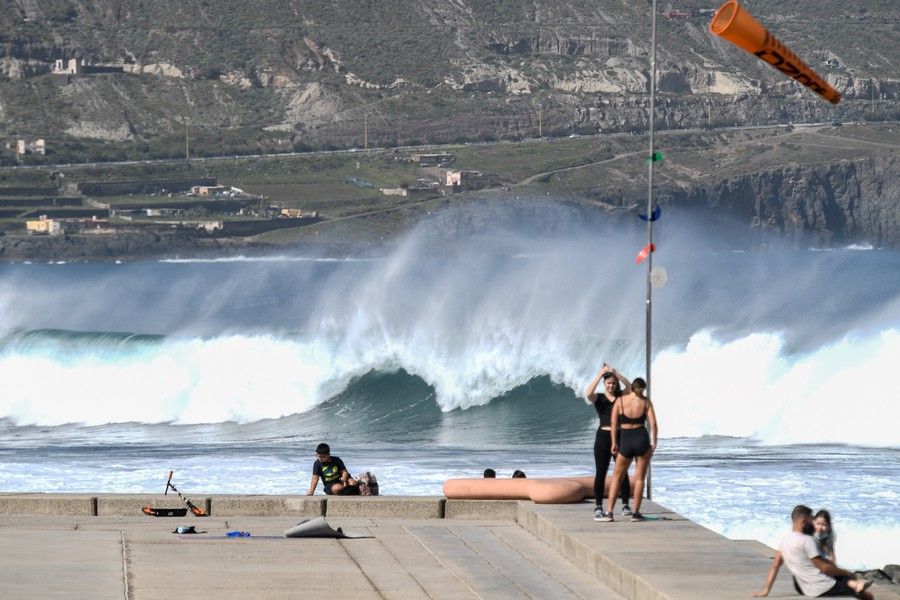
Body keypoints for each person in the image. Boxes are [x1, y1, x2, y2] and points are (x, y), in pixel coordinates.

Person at [753, 505, 873, 598]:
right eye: (812, 520)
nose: (814, 524)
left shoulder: (785, 540)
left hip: (801, 585)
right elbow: (825, 568)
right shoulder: (807, 540)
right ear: (803, 521)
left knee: (842, 577)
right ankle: (857, 585)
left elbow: (775, 565)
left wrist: (766, 590)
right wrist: (847, 573)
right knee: (864, 594)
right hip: (820, 588)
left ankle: (856, 584)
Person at [600, 377, 657, 522]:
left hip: (626, 441)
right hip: (642, 439)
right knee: (639, 479)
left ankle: (609, 512)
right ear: (642, 389)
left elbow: (613, 424)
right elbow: (654, 425)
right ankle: (636, 513)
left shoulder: (620, 401)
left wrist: (614, 442)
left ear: (631, 387)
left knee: (617, 478)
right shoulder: (645, 402)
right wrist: (654, 443)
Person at [585, 363, 633, 521]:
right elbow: (588, 393)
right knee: (601, 472)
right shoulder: (599, 398)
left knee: (622, 473)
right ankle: (598, 506)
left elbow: (630, 386)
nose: (611, 385)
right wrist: (600, 375)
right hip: (603, 437)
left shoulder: (621, 396)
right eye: (609, 383)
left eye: (613, 383)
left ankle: (625, 504)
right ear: (605, 384)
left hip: (620, 437)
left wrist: (615, 373)